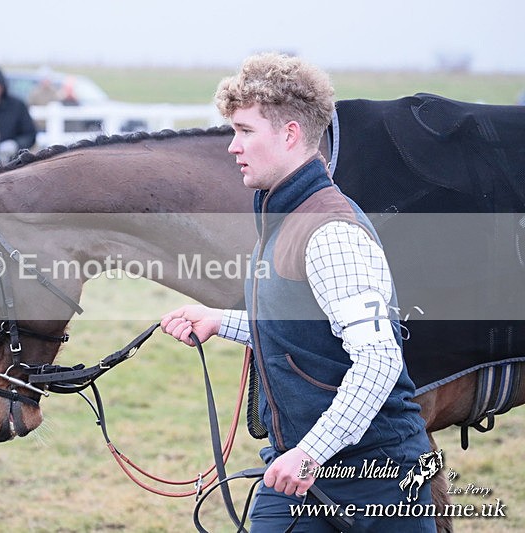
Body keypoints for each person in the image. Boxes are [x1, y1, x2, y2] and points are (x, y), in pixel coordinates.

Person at [160, 53, 436, 532]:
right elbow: (303, 328)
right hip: (297, 473)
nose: (232, 147)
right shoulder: (282, 215)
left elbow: (379, 360)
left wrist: (311, 451)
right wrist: (218, 320)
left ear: (289, 134)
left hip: (380, 477)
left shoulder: (331, 230)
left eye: (245, 131)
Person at [0, 66, 37, 162]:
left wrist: (15, 145)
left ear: (0, 87)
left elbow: (30, 135)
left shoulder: (17, 106)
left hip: (11, 164)